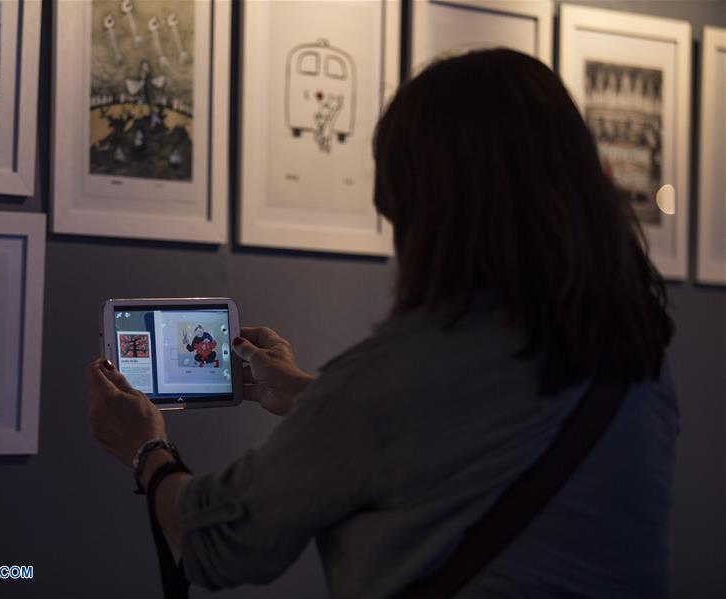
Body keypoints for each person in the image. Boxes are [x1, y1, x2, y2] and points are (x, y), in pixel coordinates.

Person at [87, 49, 676, 597]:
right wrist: (305, 395)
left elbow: (222, 542)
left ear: (422, 210)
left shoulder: (389, 381)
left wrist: (145, 449)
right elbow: (462, 432)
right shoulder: (636, 361)